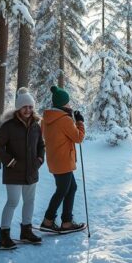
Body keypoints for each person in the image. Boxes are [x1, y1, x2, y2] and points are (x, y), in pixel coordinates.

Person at [0, 87, 45, 248]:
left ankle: (26, 232)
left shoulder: (36, 125)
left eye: (30, 107)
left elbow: (41, 145)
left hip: (31, 171)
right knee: (13, 202)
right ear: (18, 108)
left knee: (29, 201)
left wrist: (40, 159)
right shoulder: (8, 126)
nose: (28, 110)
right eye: (24, 107)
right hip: (14, 172)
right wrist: (10, 162)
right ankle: (4, 236)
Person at [39, 85, 86, 233]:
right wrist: (79, 122)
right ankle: (48, 220)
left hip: (54, 160)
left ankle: (66, 221)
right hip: (64, 160)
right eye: (68, 102)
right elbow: (78, 138)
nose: (70, 104)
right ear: (63, 103)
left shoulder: (46, 119)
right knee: (62, 191)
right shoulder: (64, 120)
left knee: (71, 188)